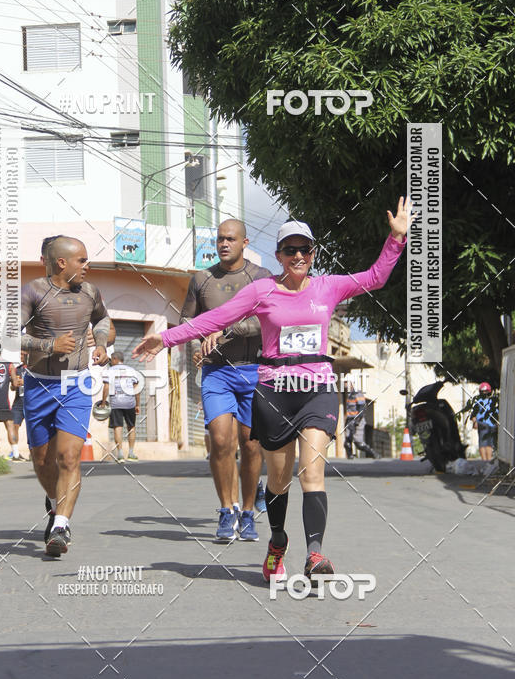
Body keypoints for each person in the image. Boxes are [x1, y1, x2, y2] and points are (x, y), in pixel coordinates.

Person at [133, 198, 409, 584]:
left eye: (304, 249)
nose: (298, 255)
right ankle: (277, 541)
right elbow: (213, 319)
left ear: (314, 253)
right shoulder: (262, 290)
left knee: (312, 473)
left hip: (316, 388)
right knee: (278, 479)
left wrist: (396, 238)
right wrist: (164, 338)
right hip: (275, 390)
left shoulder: (329, 287)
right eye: (290, 249)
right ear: (279, 255)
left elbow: (375, 277)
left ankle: (315, 554)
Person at [182, 219, 271, 542]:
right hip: (217, 372)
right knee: (220, 441)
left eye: (230, 239)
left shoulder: (261, 278)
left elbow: (269, 320)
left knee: (251, 445)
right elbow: (187, 321)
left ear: (245, 242)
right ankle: (226, 509)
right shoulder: (202, 279)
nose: (223, 244)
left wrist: (227, 331)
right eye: (220, 239)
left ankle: (248, 513)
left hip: (254, 370)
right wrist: (195, 346)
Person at [21, 236, 111, 557]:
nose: (88, 266)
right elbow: (6, 336)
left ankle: (61, 524)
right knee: (43, 460)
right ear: (62, 263)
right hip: (38, 384)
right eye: (82, 261)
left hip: (77, 384)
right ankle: (54, 499)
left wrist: (100, 343)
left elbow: (102, 319)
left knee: (69, 457)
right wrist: (49, 345)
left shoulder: (90, 292)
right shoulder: (32, 291)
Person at [100, 352, 142, 462]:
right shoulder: (131, 370)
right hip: (129, 402)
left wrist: (103, 403)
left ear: (114, 359)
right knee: (131, 426)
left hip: (115, 403)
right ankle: (131, 453)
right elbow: (136, 390)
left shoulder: (110, 371)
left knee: (117, 427)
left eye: (111, 360)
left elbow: (106, 387)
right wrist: (137, 404)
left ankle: (120, 454)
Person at [344, 384, 379, 459]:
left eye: (346, 383)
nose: (344, 385)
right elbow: (349, 410)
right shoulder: (349, 394)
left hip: (358, 420)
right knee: (347, 442)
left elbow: (362, 409)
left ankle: (374, 454)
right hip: (350, 419)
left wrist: (357, 421)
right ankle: (350, 458)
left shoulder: (358, 393)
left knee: (359, 443)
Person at [472, 382, 498, 461]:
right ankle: (484, 461)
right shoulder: (478, 402)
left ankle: (488, 460)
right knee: (483, 443)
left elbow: (497, 413)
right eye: (483, 392)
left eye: (486, 391)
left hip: (492, 425)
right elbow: (473, 414)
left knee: (490, 444)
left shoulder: (493, 401)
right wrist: (475, 422)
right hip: (482, 424)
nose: (484, 393)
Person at [9, 353, 27, 461]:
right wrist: (14, 385)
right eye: (20, 354)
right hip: (18, 402)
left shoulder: (34, 369)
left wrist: (26, 382)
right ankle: (15, 453)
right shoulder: (17, 369)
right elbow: (11, 387)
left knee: (32, 428)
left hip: (31, 401)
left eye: (23, 354)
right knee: (14, 426)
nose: (21, 356)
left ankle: (34, 452)